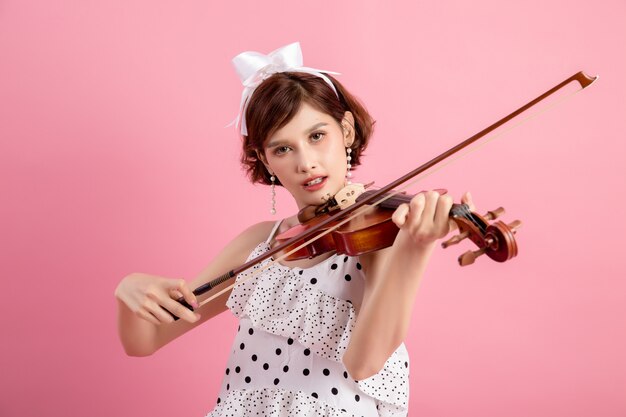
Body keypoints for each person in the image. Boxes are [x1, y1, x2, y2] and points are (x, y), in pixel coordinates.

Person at [115, 42, 474, 417]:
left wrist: (414, 248)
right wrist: (127, 289)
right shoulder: (261, 244)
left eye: (317, 136)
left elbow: (365, 362)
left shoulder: (378, 238)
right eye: (282, 149)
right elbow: (145, 340)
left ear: (346, 131)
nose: (306, 162)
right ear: (264, 160)